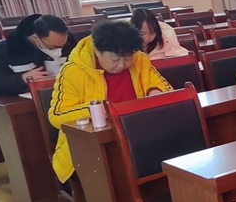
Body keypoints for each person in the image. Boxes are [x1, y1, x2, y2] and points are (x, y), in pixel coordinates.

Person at [48, 20, 172, 183]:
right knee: (122, 173)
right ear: (98, 51)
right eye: (115, 59)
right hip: (92, 149)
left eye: (127, 58)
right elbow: (56, 116)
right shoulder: (73, 71)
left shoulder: (140, 60)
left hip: (137, 136)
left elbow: (164, 87)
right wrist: (96, 110)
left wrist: (155, 92)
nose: (122, 65)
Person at [0, 14, 75, 96]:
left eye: (63, 45)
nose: (60, 50)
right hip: (26, 100)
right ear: (36, 38)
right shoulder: (6, 49)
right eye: (53, 47)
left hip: (67, 94)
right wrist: (23, 78)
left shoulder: (68, 42)